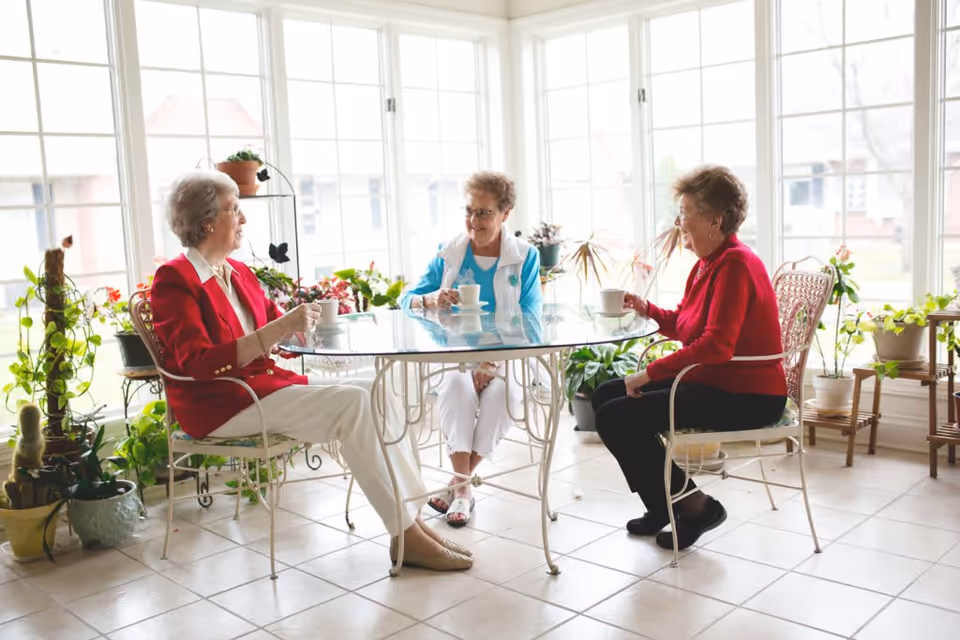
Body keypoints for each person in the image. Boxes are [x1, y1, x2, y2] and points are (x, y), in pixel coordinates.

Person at [151, 170, 471, 571]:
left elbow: (277, 337)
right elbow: (197, 362)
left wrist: (309, 324)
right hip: (219, 404)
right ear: (207, 222)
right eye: (235, 209)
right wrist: (282, 326)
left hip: (262, 389)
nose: (244, 219)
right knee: (353, 403)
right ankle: (405, 536)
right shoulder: (174, 279)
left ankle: (414, 523)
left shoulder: (239, 273)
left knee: (375, 388)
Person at [592, 165, 788, 551]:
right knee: (604, 397)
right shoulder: (708, 264)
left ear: (714, 220)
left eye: (685, 214)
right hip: (715, 381)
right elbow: (686, 326)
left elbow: (717, 346)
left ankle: (695, 506)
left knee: (615, 414)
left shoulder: (736, 265)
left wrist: (647, 374)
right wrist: (648, 308)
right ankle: (666, 504)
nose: (679, 224)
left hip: (747, 396)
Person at [400, 171, 542, 527]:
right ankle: (464, 491)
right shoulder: (449, 255)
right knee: (455, 387)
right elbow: (405, 300)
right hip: (455, 354)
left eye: (484, 213)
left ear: (506, 214)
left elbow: (531, 321)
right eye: (469, 211)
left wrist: (491, 361)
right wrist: (429, 299)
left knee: (502, 396)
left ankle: (457, 485)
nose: (473, 221)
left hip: (508, 356)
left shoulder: (525, 257)